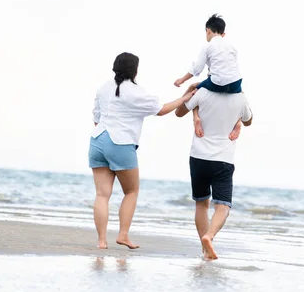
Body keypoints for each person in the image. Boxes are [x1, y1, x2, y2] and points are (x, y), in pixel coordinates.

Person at [90, 52, 195, 250]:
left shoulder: (103, 88)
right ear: (135, 70)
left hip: (97, 140)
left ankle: (102, 242)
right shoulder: (137, 92)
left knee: (102, 195)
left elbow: (96, 116)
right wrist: (184, 98)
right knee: (131, 191)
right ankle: (123, 235)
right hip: (121, 143)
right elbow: (161, 110)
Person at [175, 83, 253, 260]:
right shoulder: (240, 98)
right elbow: (249, 120)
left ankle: (205, 250)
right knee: (223, 206)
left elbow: (179, 112)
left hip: (198, 157)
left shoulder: (202, 93)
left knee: (201, 204)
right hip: (223, 159)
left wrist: (194, 109)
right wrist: (239, 119)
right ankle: (209, 236)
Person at [174, 14, 244, 141]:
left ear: (208, 30)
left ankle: (196, 118)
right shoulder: (232, 47)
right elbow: (232, 68)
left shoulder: (208, 46)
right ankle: (238, 122)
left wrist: (182, 80)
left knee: (195, 90)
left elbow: (197, 68)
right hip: (235, 82)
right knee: (241, 96)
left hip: (217, 83)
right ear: (224, 34)